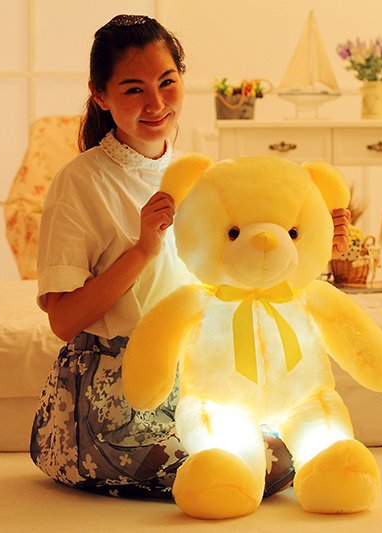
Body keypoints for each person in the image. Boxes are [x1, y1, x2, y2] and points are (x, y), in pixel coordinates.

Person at [29, 13, 351, 499]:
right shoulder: (81, 182)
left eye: (167, 82)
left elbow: (243, 275)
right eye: (134, 89)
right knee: (256, 465)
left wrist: (318, 243)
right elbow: (63, 319)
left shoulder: (201, 177)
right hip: (116, 393)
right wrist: (143, 249)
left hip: (198, 377)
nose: (156, 104)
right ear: (100, 95)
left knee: (300, 442)